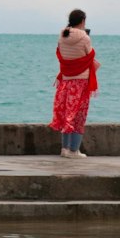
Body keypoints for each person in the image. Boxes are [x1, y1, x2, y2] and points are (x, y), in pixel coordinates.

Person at [50, 8, 99, 158]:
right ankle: (74, 150)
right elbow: (89, 55)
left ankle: (64, 149)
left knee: (66, 114)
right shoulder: (85, 38)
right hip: (81, 80)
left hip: (65, 79)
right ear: (83, 21)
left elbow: (61, 54)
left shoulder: (62, 35)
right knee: (78, 115)